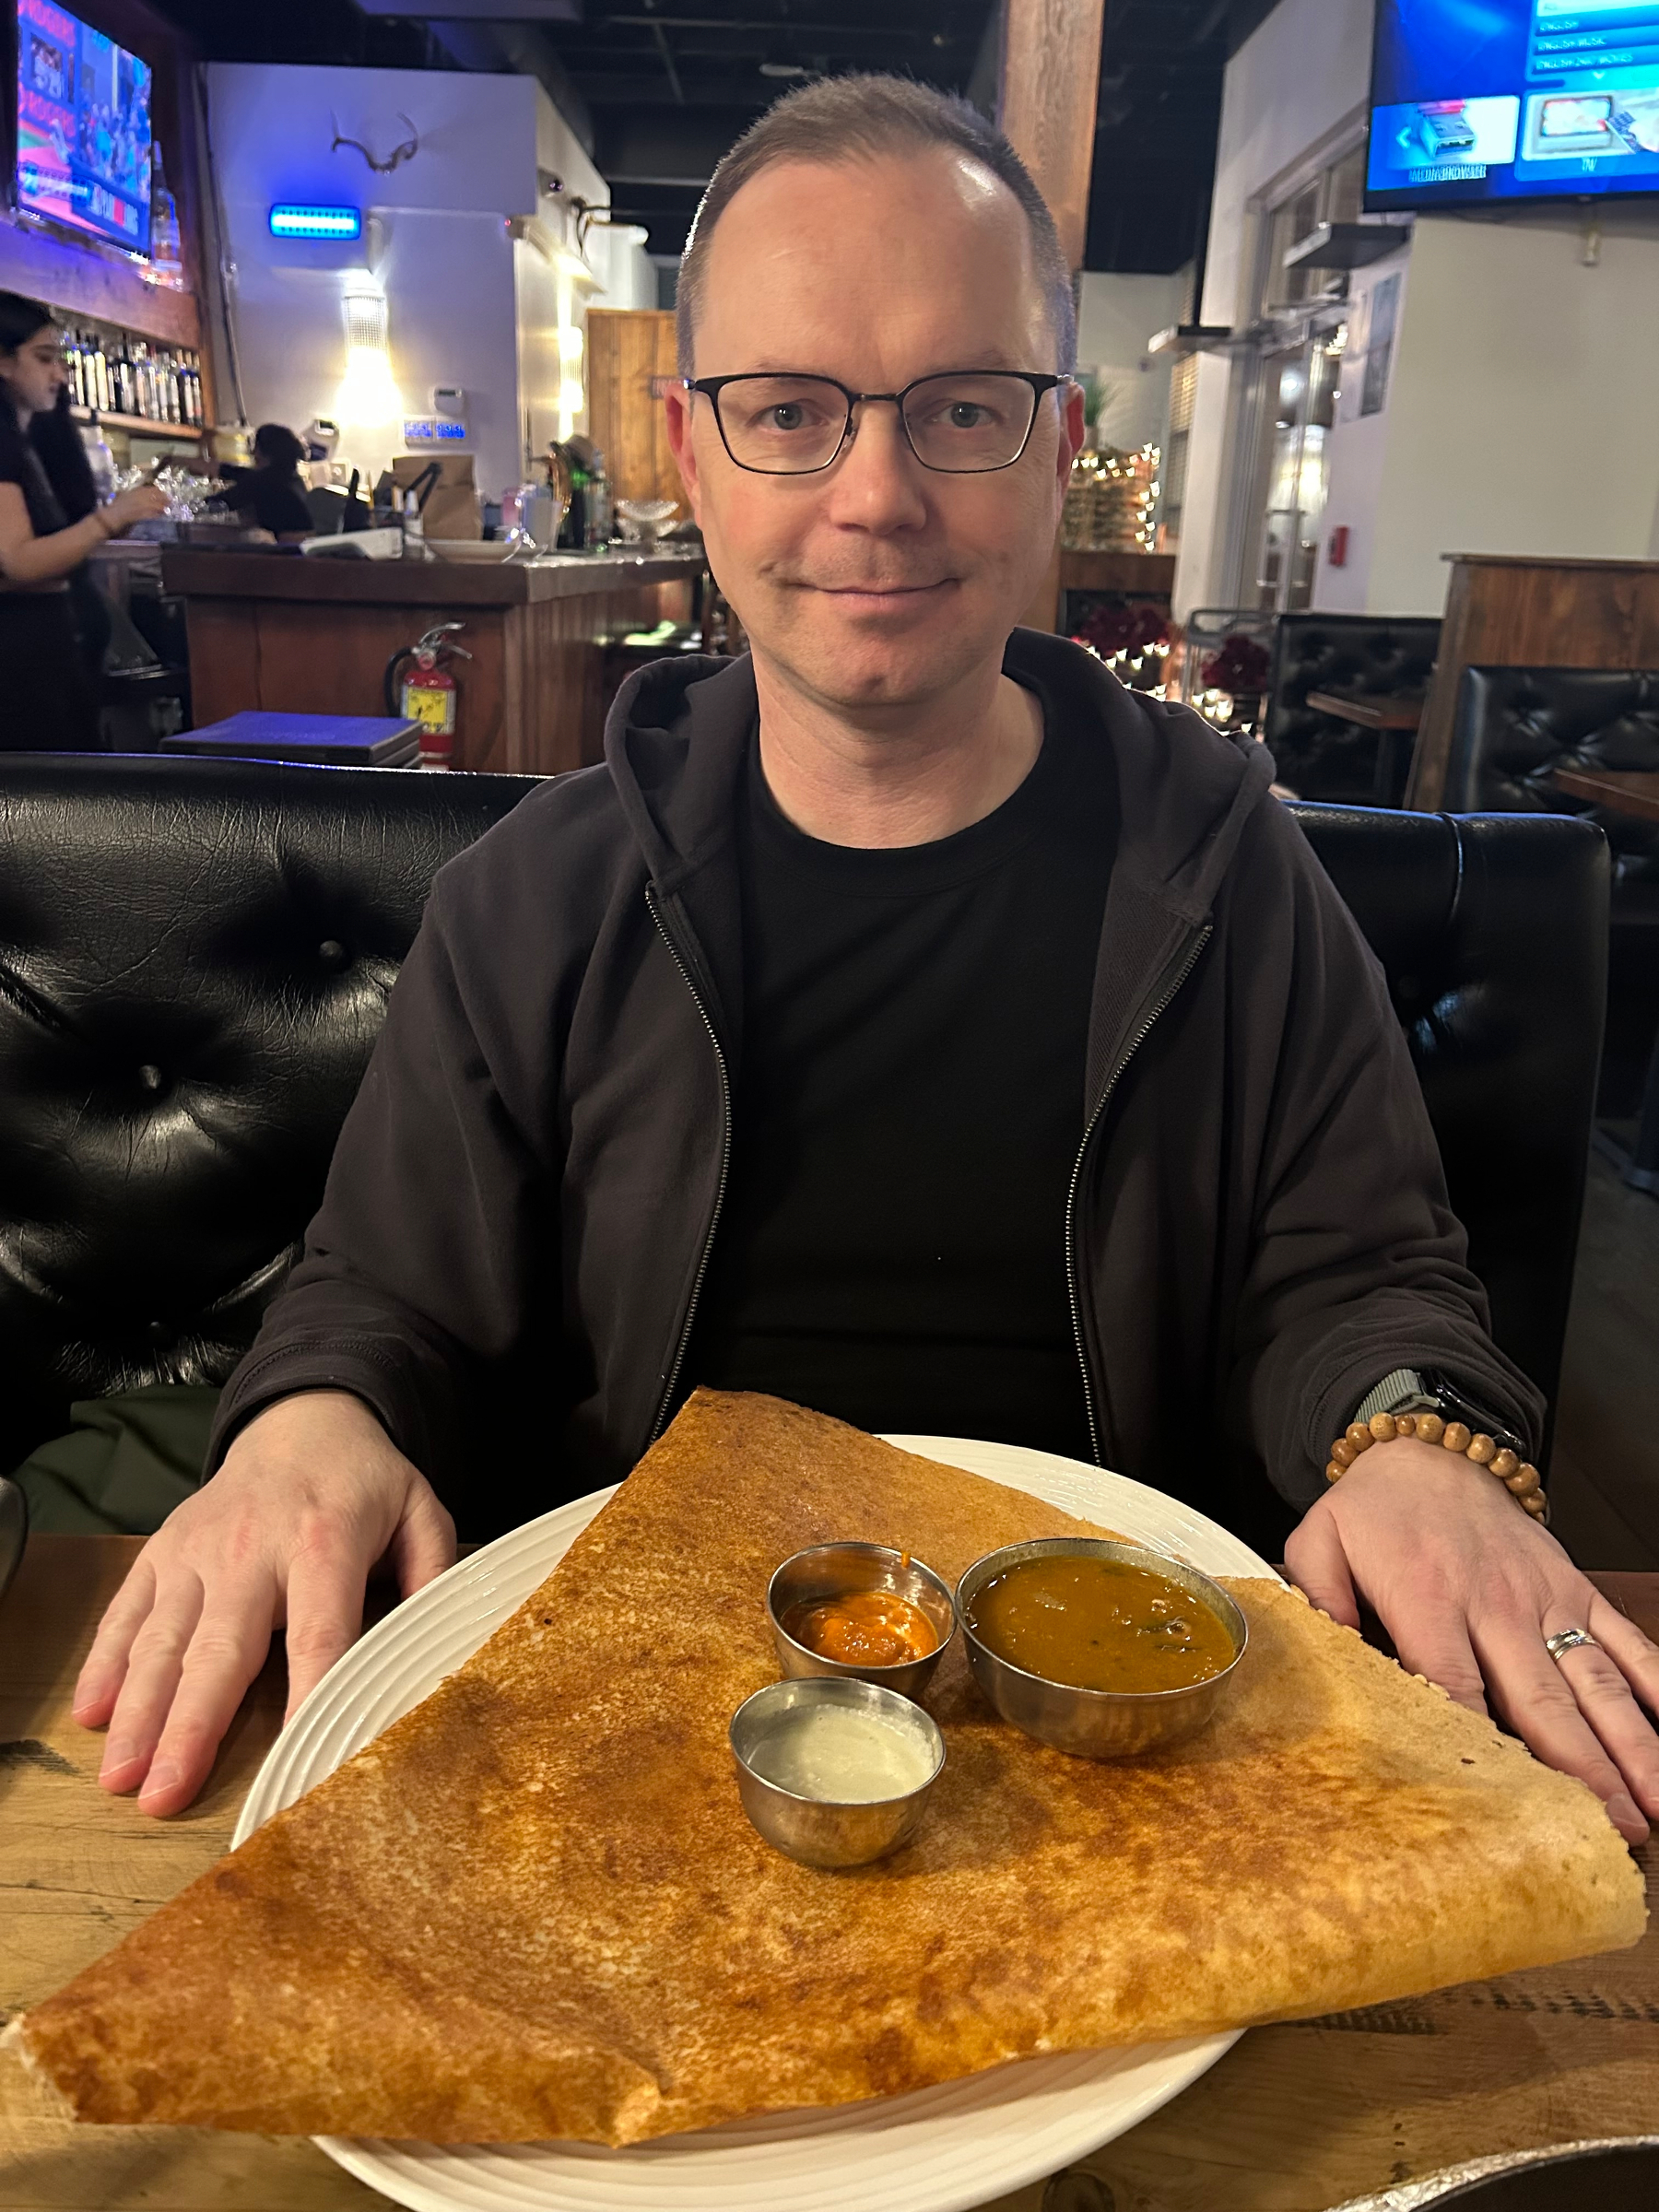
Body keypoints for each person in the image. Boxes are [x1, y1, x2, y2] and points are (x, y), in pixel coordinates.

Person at [73, 76, 1659, 1840]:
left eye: (962, 408)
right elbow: (387, 1291)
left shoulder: (1231, 870)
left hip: (1112, 1740)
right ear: (693, 454)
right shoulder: (537, 898)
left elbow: (1363, 1276)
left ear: (1055, 446)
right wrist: (310, 1420)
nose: (878, 494)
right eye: (789, 412)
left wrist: (1420, 1441)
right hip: (633, 1727)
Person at [0, 292, 166, 750]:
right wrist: (108, 521)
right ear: (3, 361)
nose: (60, 374)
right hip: (21, 668)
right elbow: (18, 562)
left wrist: (112, 524)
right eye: (44, 359)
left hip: (53, 656)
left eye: (61, 360)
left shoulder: (33, 442)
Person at [212, 421, 313, 539]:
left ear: (264, 451)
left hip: (285, 549)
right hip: (304, 547)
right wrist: (217, 469)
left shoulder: (264, 480)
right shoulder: (292, 478)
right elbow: (244, 474)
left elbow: (222, 503)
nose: (253, 453)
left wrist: (196, 505)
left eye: (256, 447)